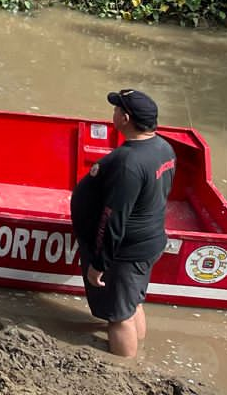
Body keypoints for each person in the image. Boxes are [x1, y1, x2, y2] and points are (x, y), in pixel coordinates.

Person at [69, 88, 176, 359]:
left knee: (118, 317)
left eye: (117, 108)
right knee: (132, 302)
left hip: (125, 252)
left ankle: (123, 367)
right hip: (149, 241)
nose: (113, 112)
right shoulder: (163, 147)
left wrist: (99, 264)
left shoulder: (128, 163)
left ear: (125, 118)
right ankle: (139, 354)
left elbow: (113, 218)